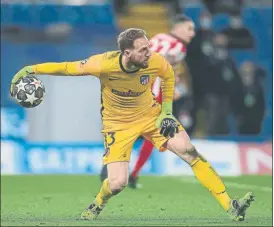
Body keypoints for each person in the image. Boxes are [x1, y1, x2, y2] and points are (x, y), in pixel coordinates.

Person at [10, 28, 254, 222]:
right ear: (127, 53)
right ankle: (97, 203)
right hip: (117, 125)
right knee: (117, 184)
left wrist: (167, 112)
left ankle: (230, 206)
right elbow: (66, 68)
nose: (149, 53)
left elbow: (168, 76)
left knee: (189, 151)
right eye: (143, 50)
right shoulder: (103, 64)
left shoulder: (154, 61)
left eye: (148, 47)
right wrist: (30, 69)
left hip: (152, 116)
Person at [123, 15, 196, 188]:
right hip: (152, 94)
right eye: (189, 29)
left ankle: (121, 170)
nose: (192, 34)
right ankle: (131, 174)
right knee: (153, 136)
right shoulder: (178, 47)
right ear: (177, 28)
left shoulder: (158, 37)